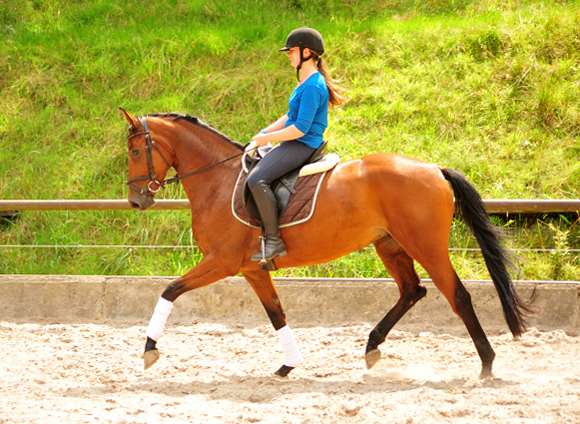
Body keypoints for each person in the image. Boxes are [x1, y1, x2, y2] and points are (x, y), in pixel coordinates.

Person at [246, 26, 345, 262]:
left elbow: (300, 128)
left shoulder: (312, 85)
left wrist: (266, 140)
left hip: (302, 144)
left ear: (307, 52)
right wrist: (262, 132)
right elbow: (290, 116)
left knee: (256, 179)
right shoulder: (306, 81)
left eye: (292, 51)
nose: (288, 55)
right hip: (295, 141)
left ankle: (274, 241)